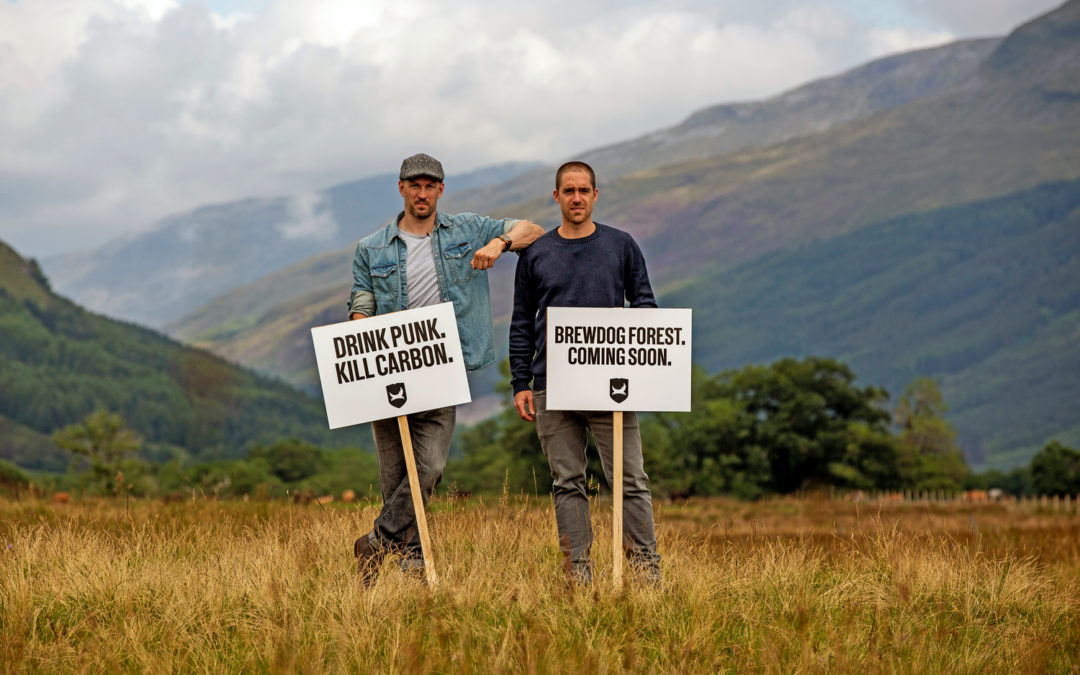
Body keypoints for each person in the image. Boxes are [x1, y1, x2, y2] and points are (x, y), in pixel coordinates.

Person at [348, 153, 543, 580]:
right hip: (389, 368)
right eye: (414, 185)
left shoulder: (469, 229)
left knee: (430, 467)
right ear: (401, 188)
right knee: (395, 474)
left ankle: (376, 543)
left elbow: (533, 230)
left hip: (441, 364)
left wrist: (499, 243)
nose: (422, 193)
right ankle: (415, 564)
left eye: (430, 186)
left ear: (441, 190)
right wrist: (360, 331)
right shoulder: (371, 247)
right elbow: (362, 295)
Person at [508, 160, 662, 585]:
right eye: (568, 191)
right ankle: (577, 575)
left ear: (596, 195)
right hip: (551, 387)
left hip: (611, 385)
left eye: (584, 191)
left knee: (630, 479)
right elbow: (522, 321)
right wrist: (521, 382)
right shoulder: (536, 254)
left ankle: (647, 574)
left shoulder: (622, 245)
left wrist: (625, 336)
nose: (576, 198)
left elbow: (645, 304)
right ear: (556, 197)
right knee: (567, 482)